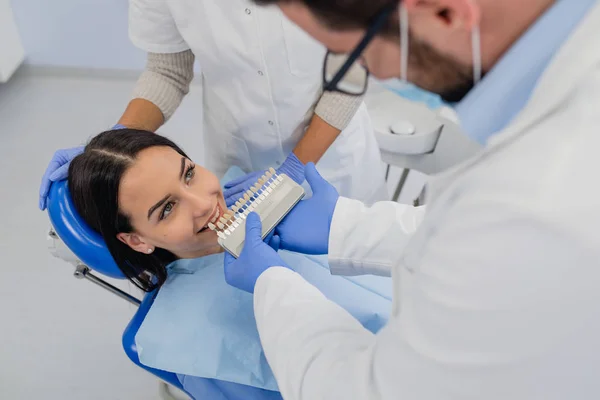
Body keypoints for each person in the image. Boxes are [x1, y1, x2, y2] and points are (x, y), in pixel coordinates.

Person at [222, 0, 600, 399]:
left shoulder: (530, 207)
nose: (377, 73)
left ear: (444, 12)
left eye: (358, 56)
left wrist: (272, 286)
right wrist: (347, 226)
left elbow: (371, 392)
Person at [67, 128, 392, 400]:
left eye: (189, 174)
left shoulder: (265, 199)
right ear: (137, 241)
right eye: (167, 209)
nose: (205, 203)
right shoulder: (190, 339)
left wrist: (345, 227)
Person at [37, 0, 388, 212]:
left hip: (333, 162)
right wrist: (109, 146)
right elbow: (167, 71)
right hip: (238, 154)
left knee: (350, 274)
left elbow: (351, 75)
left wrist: (294, 170)